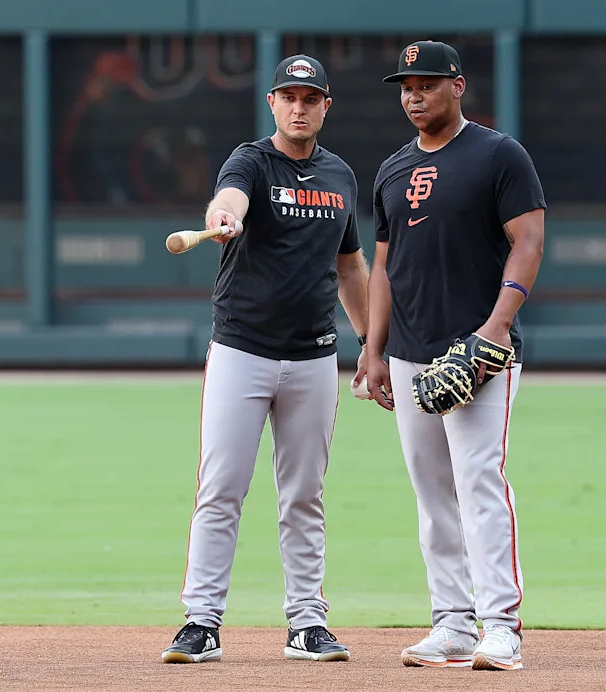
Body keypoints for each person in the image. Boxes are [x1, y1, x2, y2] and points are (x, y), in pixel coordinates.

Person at [161, 54, 369, 665]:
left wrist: (371, 346)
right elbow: (228, 199)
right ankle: (201, 622)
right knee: (221, 487)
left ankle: (307, 623)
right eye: (289, 97)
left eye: (311, 98)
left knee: (304, 493)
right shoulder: (250, 160)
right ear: (273, 104)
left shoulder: (340, 176)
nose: (299, 108)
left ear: (326, 105)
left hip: (313, 357)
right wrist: (224, 217)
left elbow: (350, 265)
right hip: (242, 350)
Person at [364, 40, 546, 672]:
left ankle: (501, 626)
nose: (415, 95)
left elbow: (529, 241)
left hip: (479, 349)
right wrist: (373, 348)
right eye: (406, 86)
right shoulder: (391, 168)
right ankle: (452, 621)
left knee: (479, 481)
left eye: (428, 84)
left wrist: (498, 326)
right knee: (432, 490)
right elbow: (383, 266)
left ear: (458, 86)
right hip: (411, 354)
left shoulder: (499, 154)